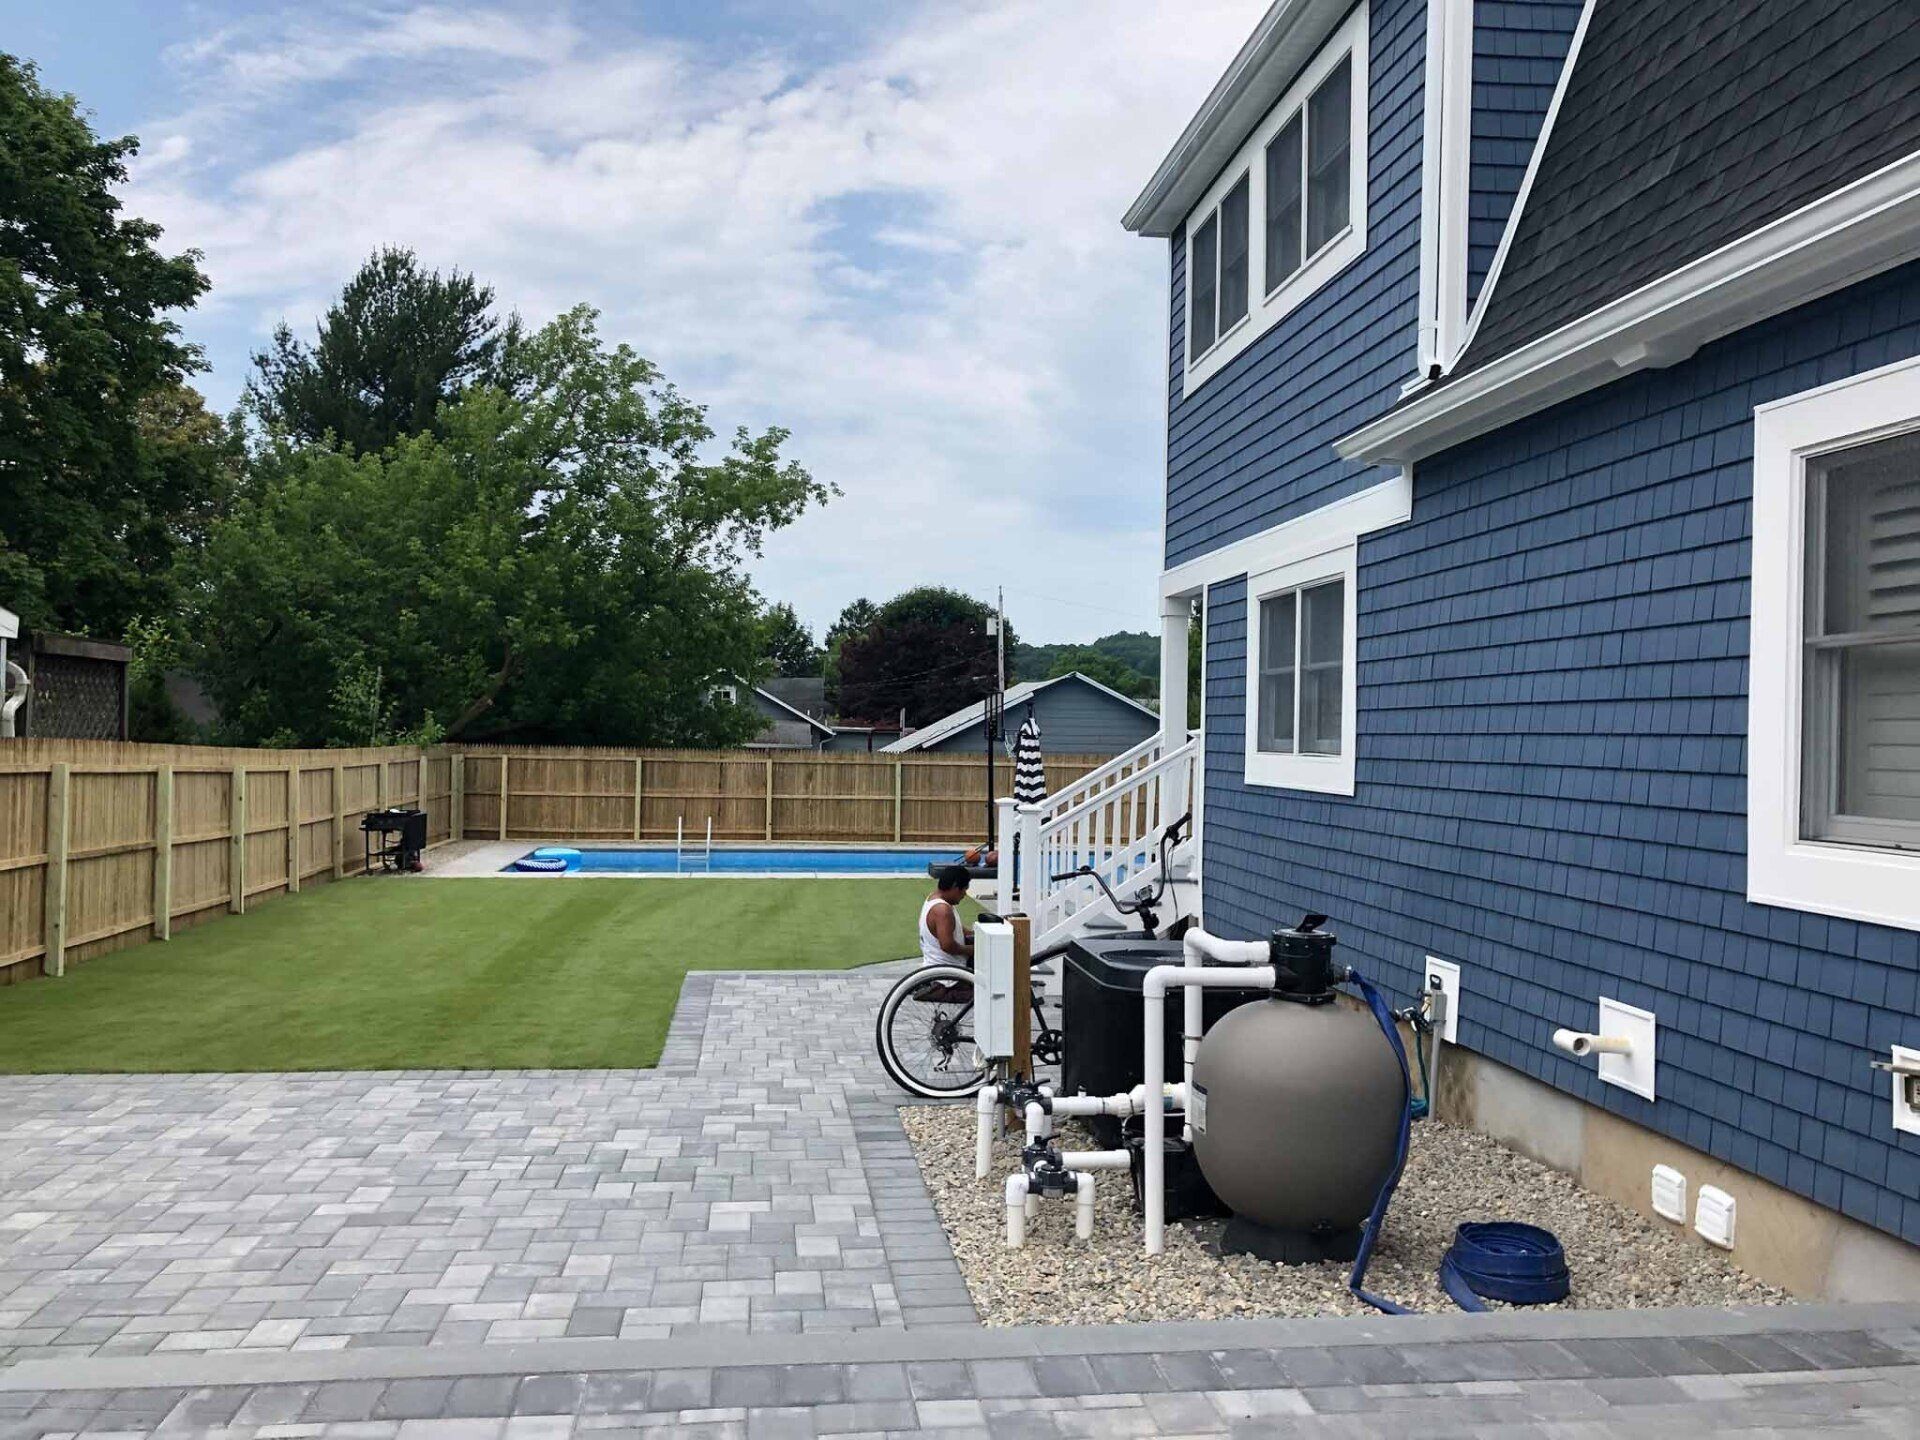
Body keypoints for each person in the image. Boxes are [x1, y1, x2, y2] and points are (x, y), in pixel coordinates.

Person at [919, 864, 974, 966]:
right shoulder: (942, 910)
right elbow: (948, 946)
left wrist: (976, 934)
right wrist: (973, 950)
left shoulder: (934, 898)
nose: (964, 895)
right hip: (948, 976)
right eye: (964, 890)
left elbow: (954, 927)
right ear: (955, 887)